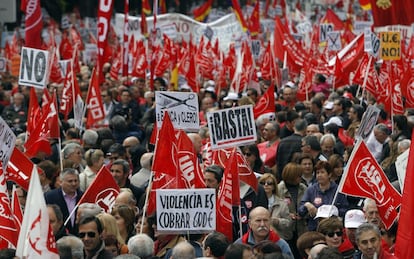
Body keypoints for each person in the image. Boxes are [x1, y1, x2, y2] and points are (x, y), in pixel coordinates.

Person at [298, 161, 349, 231]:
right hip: (315, 228)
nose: (319, 175)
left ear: (329, 174)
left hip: (333, 229)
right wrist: (307, 205)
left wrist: (333, 211)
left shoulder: (338, 190)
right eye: (317, 173)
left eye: (322, 172)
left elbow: (345, 209)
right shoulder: (311, 190)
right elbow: (300, 211)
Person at [277, 162, 308, 258]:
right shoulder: (279, 188)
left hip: (301, 228)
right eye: (298, 175)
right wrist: (288, 214)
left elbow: (307, 203)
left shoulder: (303, 188)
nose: (300, 178)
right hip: (286, 229)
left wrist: (303, 214)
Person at [45, 168, 84, 235]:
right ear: (61, 182)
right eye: (70, 181)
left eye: (76, 181)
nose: (74, 183)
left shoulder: (83, 197)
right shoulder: (49, 197)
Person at [258, 174, 292, 241]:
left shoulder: (282, 203)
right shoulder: (255, 202)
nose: (266, 185)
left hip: (277, 239)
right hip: (259, 239)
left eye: (269, 183)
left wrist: (278, 221)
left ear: (274, 186)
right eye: (262, 183)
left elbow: (289, 223)